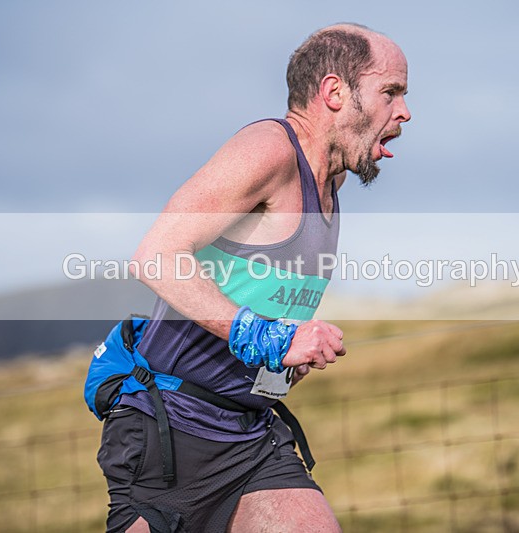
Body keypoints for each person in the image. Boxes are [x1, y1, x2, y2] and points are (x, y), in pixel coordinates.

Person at [96, 23, 411, 532]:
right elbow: (156, 255)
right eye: (390, 92)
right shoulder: (270, 150)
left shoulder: (328, 183)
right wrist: (264, 335)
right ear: (335, 92)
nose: (404, 112)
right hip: (168, 428)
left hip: (248, 435)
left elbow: (259, 301)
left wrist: (287, 354)